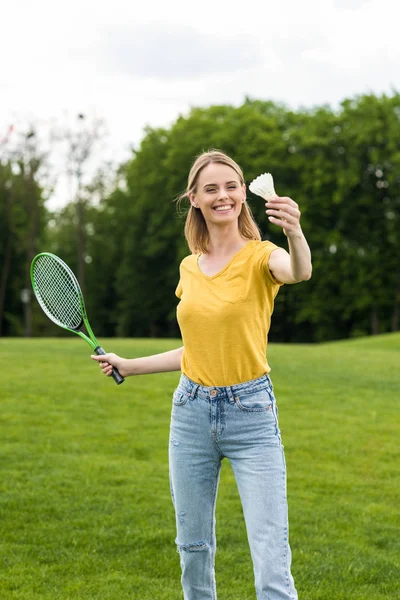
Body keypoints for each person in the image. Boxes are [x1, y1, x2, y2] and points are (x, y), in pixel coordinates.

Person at [91, 150, 312, 600]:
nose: (223, 196)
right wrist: (130, 366)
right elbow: (197, 348)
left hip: (252, 414)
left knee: (271, 556)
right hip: (190, 413)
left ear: (243, 194)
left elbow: (299, 272)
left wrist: (295, 232)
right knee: (193, 550)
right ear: (194, 198)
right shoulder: (189, 266)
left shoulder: (262, 257)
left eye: (231, 186)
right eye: (210, 188)